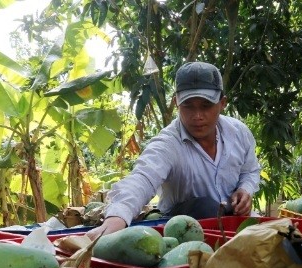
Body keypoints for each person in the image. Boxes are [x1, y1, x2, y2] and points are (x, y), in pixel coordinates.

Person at [86, 61, 261, 240]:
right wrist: (115, 219)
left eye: (206, 106)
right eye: (188, 106)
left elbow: (250, 171)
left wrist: (245, 189)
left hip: (233, 222)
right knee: (206, 207)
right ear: (176, 102)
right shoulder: (168, 144)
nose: (197, 116)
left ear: (222, 103)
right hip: (182, 229)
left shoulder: (238, 133)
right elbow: (143, 178)